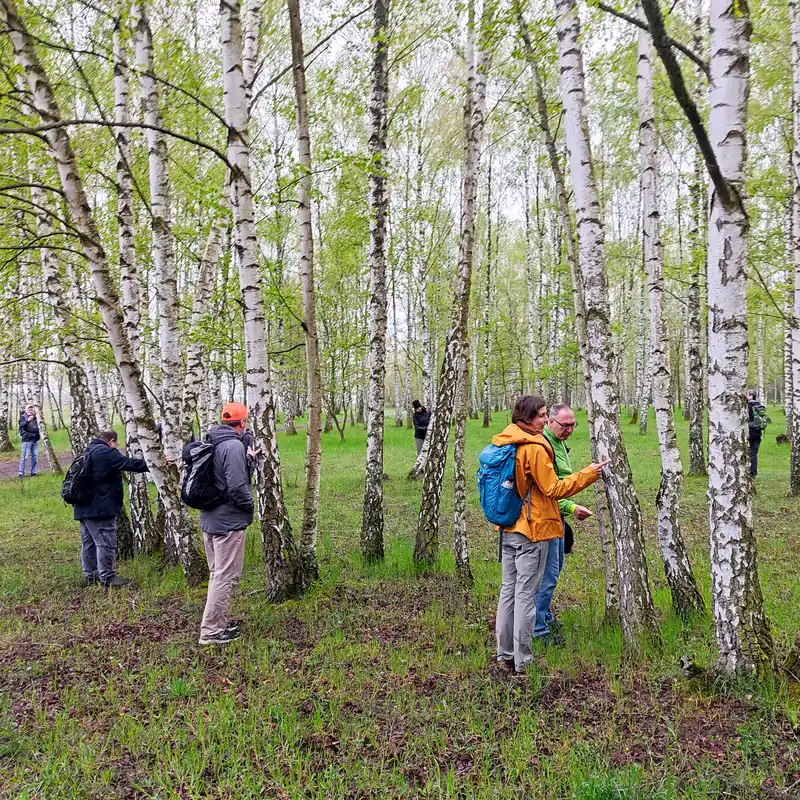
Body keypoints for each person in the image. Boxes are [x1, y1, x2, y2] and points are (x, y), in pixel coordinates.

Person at [493, 395, 607, 675]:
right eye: (543, 415)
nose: (545, 420)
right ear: (528, 418)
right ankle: (523, 662)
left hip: (507, 527)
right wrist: (589, 473)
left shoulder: (505, 439)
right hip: (532, 531)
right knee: (525, 595)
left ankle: (504, 655)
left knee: (508, 592)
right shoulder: (534, 448)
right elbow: (553, 489)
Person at [533, 403, 593, 645]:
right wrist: (571, 507)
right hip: (545, 519)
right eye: (564, 425)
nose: (569, 429)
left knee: (553, 572)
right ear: (550, 423)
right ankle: (538, 629)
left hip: (556, 517)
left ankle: (544, 615)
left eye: (572, 425)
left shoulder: (556, 443)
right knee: (546, 577)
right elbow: (548, 490)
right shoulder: (543, 447)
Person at [198, 402, 254, 646]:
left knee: (216, 574)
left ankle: (218, 622)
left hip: (210, 518)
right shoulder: (232, 446)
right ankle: (210, 631)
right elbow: (237, 486)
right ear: (242, 423)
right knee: (225, 576)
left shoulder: (211, 441)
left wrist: (249, 461)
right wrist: (249, 507)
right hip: (227, 522)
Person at [74, 430, 149, 588]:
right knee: (105, 543)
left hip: (83, 507)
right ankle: (108, 577)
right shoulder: (106, 452)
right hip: (100, 508)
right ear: (112, 441)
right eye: (117, 443)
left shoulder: (87, 451)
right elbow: (129, 463)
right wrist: (155, 463)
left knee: (88, 543)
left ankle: (90, 575)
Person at [747, 389, 768, 478]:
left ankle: (746, 471)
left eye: (747, 394)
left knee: (746, 452)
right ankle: (753, 473)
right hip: (757, 433)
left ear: (751, 395)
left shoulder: (748, 406)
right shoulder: (759, 406)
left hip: (749, 431)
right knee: (754, 454)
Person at [18, 405, 40, 477]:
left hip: (35, 438)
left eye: (31, 410)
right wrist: (28, 420)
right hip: (27, 439)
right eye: (29, 410)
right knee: (24, 456)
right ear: (26, 410)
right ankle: (21, 472)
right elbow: (21, 425)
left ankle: (33, 472)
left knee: (35, 456)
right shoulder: (23, 417)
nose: (30, 411)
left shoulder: (36, 417)